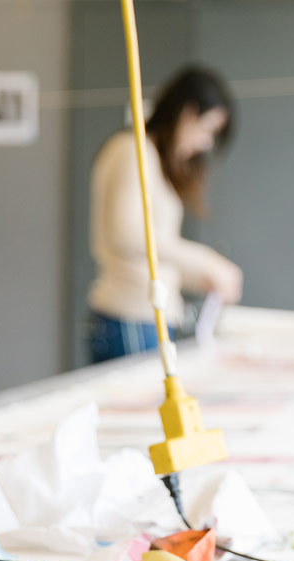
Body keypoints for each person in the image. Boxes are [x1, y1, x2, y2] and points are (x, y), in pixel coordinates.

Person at [87, 65, 243, 364]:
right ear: (187, 113)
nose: (207, 143)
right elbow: (127, 235)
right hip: (129, 317)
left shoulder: (153, 158)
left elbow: (155, 251)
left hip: (149, 318)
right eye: (208, 128)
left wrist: (201, 275)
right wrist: (207, 261)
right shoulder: (132, 150)